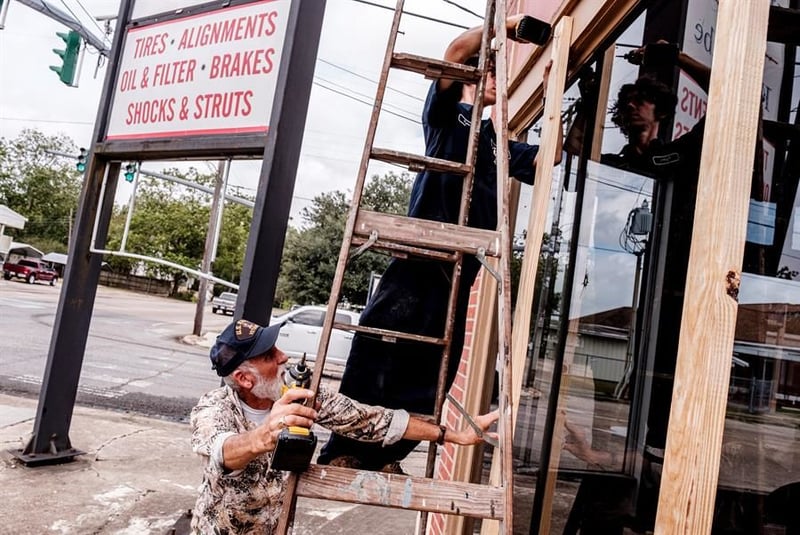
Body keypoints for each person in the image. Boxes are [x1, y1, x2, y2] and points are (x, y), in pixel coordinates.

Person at [317, 14, 562, 472]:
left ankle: (386, 455)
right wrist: (504, 26)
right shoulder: (447, 119)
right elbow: (453, 52)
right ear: (474, 76)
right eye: (487, 70)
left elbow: (552, 158)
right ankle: (345, 450)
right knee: (377, 356)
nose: (492, 78)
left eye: (496, 73)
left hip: (460, 271)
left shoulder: (497, 143)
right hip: (418, 262)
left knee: (436, 375)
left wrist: (555, 96)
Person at [190, 319, 498, 534]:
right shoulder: (214, 407)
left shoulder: (300, 396)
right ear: (245, 379)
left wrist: (453, 435)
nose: (284, 356)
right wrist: (264, 436)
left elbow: (373, 420)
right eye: (270, 355)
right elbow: (222, 450)